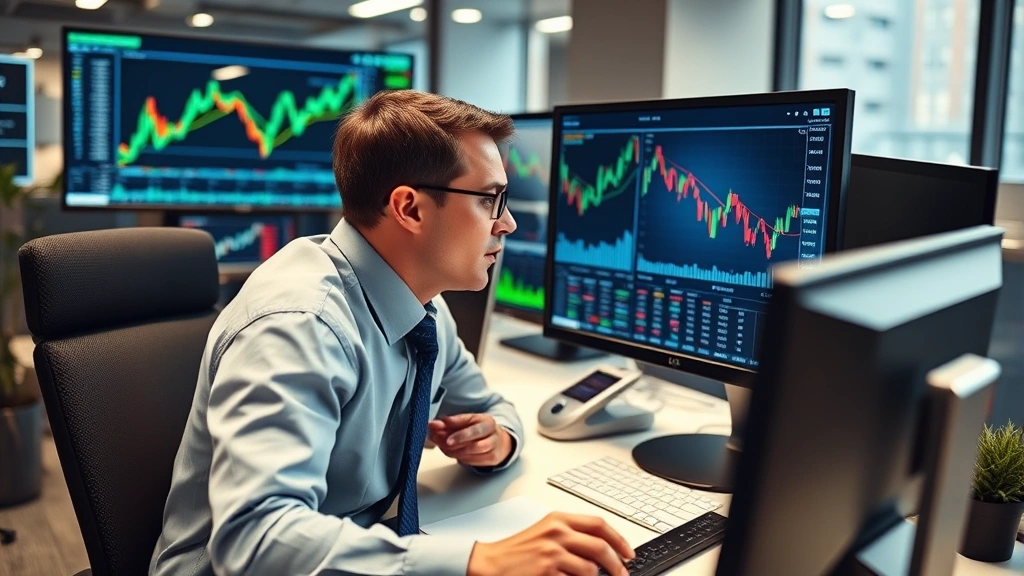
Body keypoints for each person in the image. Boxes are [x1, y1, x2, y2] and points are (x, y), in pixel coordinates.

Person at [149, 90, 635, 576]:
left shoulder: (423, 306)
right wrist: (476, 561)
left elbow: (491, 407)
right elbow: (256, 542)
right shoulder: (300, 325)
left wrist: (495, 441)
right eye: (490, 199)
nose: (506, 223)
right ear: (410, 208)